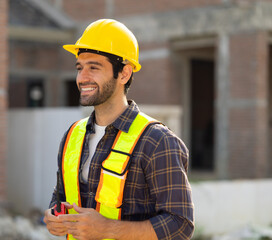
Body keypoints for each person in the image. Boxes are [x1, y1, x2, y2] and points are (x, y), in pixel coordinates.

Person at [43, 19, 194, 240]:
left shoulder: (156, 141)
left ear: (124, 73)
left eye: (93, 67)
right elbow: (61, 195)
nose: (82, 77)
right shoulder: (72, 135)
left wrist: (108, 229)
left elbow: (180, 225)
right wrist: (54, 215)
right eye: (79, 68)